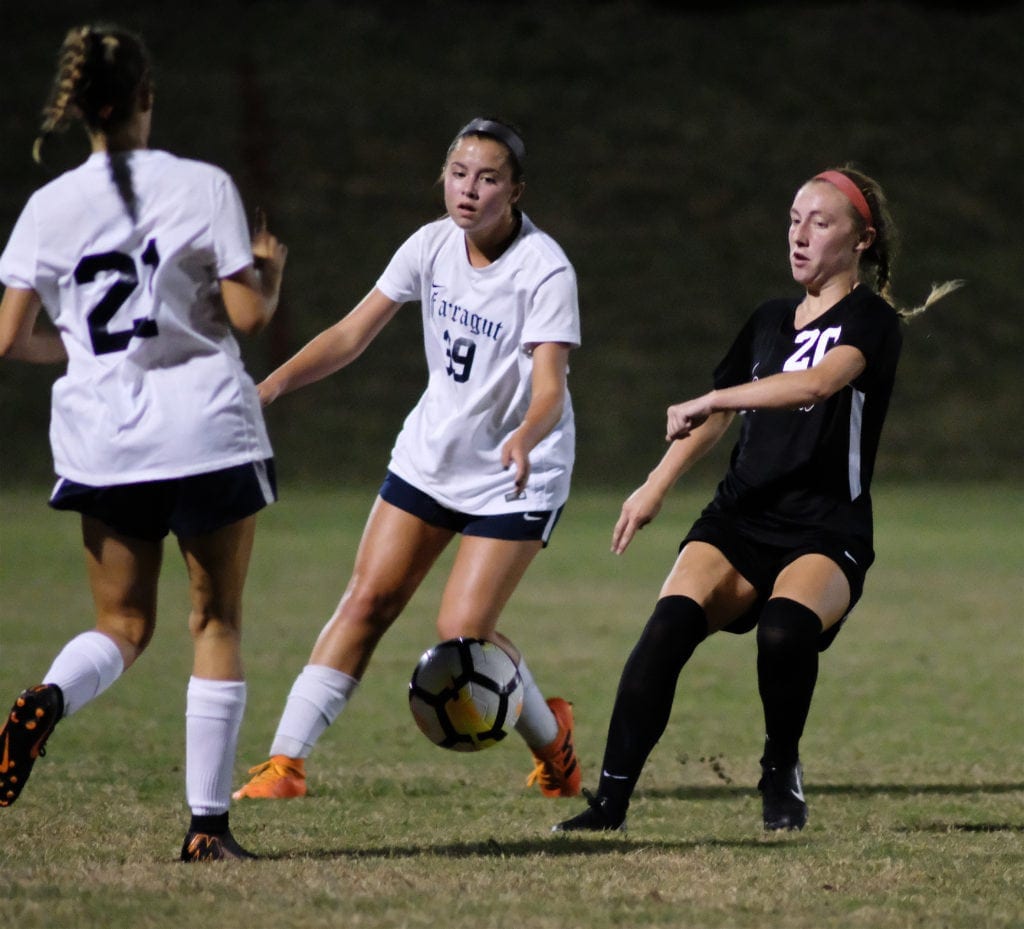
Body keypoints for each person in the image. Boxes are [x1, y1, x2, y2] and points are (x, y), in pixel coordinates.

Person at [554, 167, 961, 833]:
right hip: (740, 518)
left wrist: (716, 396)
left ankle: (780, 766)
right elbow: (712, 422)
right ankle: (609, 803)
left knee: (783, 630)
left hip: (827, 527)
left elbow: (817, 383)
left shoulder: (872, 319)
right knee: (665, 630)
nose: (799, 235)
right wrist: (654, 486)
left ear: (861, 240)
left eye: (820, 223)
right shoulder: (769, 320)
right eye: (794, 220)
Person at [232, 117, 582, 803]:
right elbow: (351, 333)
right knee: (367, 598)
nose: (469, 190)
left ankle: (554, 742)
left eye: (488, 178)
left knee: (462, 633)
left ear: (515, 189)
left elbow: (549, 388)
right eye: (458, 174)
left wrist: (524, 437)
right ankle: (286, 764)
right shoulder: (430, 245)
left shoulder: (545, 270)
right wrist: (270, 384)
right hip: (432, 455)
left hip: (517, 473)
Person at [0, 24, 287, 861]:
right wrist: (269, 273)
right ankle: (206, 828)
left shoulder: (46, 208)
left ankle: (49, 696)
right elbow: (246, 318)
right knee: (216, 618)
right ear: (146, 99)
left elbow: (11, 336)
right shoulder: (202, 186)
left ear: (80, 110)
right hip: (204, 431)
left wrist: (84, 349)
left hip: (103, 441)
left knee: (122, 622)